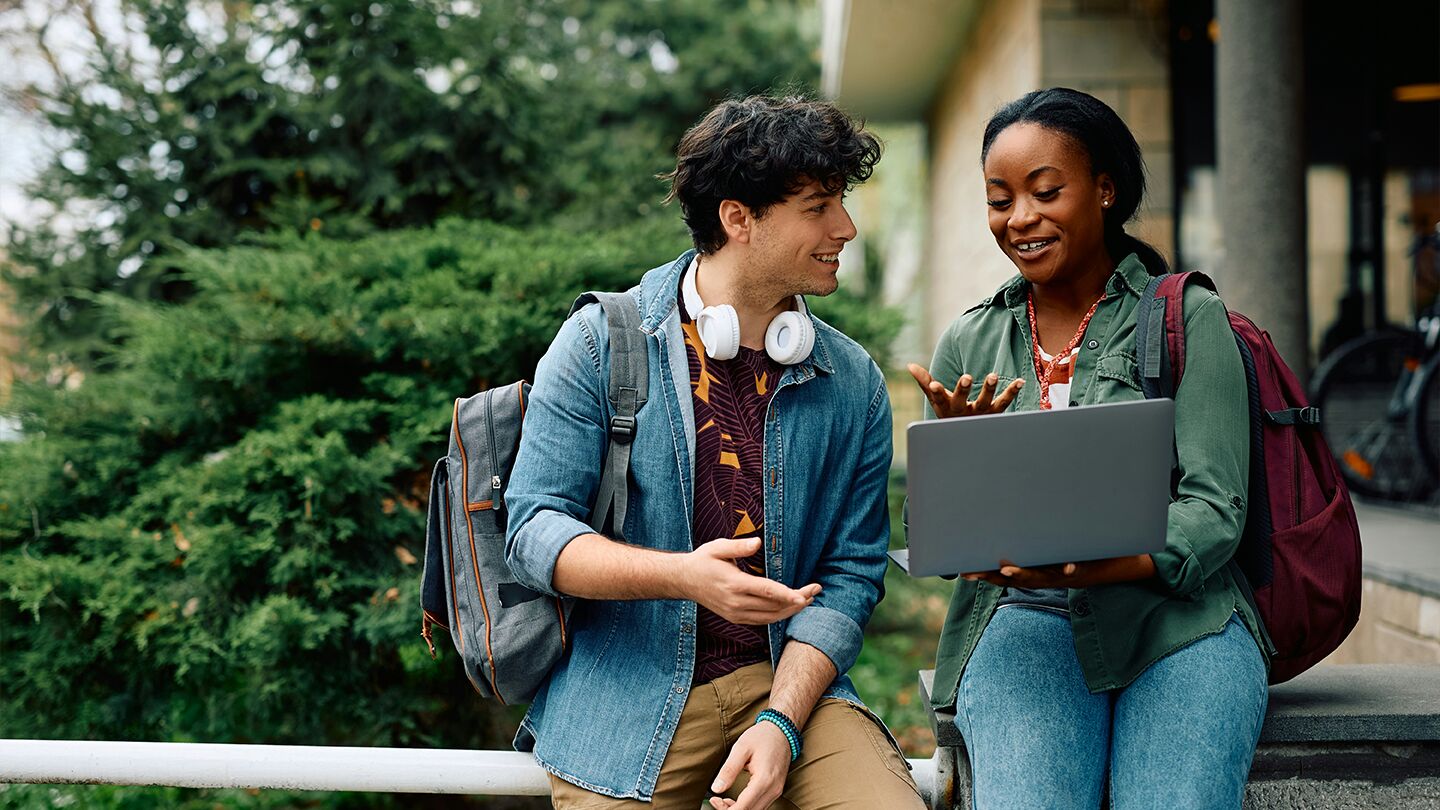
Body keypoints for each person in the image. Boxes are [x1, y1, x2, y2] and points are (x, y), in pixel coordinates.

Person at [504, 95, 925, 810]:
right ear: (739, 219)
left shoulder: (852, 381)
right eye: (819, 206)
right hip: (627, 692)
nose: (845, 228)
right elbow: (534, 532)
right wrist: (684, 577)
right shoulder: (599, 343)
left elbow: (852, 574)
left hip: (790, 683)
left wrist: (782, 721)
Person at [907, 87, 1269, 809]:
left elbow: (1215, 509)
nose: (1020, 219)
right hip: (1026, 620)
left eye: (1045, 192)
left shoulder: (1188, 319)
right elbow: (936, 542)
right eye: (999, 199)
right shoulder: (970, 342)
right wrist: (955, 467)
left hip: (1181, 619)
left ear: (1104, 190)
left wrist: (1115, 561)